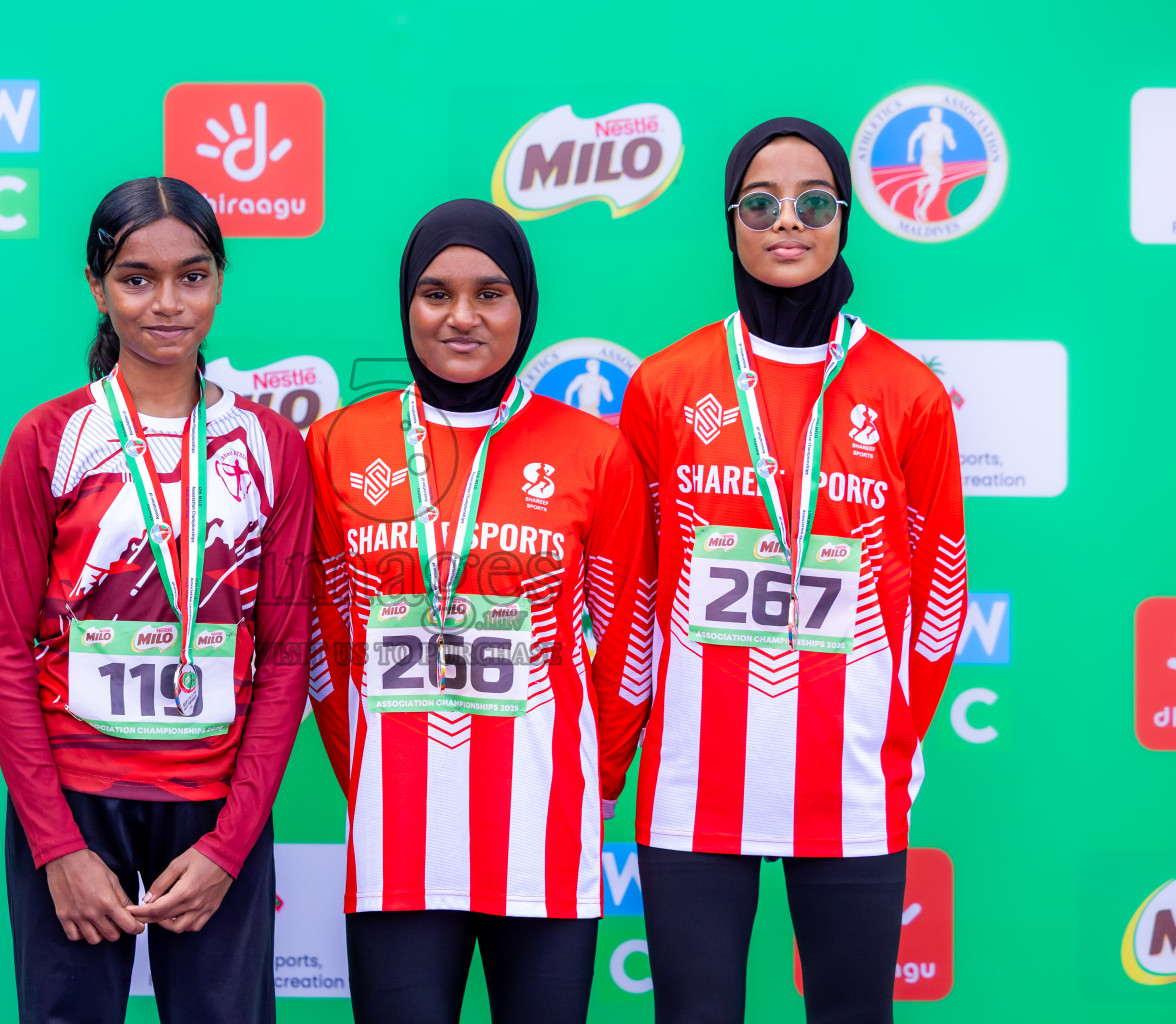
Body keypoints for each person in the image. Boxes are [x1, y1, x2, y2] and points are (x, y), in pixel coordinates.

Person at [620, 118, 965, 1024]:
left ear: (845, 218)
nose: (787, 222)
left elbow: (942, 586)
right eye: (760, 204)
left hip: (850, 779)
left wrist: (894, 733)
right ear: (730, 221)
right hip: (693, 780)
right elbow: (634, 590)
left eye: (814, 203)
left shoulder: (908, 392)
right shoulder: (664, 386)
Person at [307, 198, 656, 1024]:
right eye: (436, 294)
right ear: (407, 306)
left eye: (489, 294)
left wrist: (596, 782)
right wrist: (366, 776)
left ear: (524, 306)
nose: (461, 317)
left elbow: (627, 640)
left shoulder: (594, 451)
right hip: (395, 837)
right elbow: (324, 641)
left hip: (543, 831)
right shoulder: (337, 444)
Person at [0, 176, 313, 1024]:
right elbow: (4, 651)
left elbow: (284, 658)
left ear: (220, 280)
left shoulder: (272, 445)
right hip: (74, 801)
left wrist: (230, 846)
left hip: (215, 807)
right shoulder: (51, 439)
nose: (167, 303)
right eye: (137, 278)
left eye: (192, 276)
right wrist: (56, 846)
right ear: (97, 287)